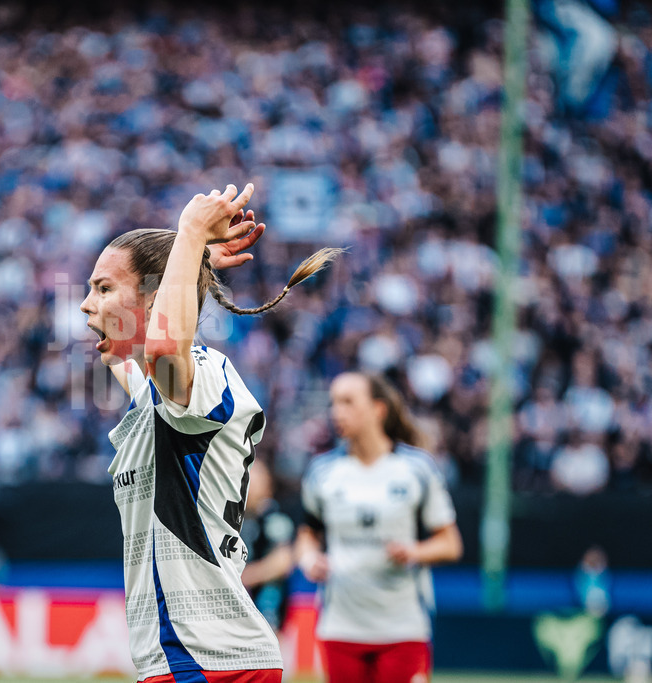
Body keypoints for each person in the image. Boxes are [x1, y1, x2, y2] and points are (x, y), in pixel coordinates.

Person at [79, 182, 341, 683]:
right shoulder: (154, 394)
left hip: (208, 662)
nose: (86, 304)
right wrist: (191, 261)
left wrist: (191, 234)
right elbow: (121, 352)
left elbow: (159, 348)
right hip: (193, 659)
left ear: (153, 295)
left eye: (104, 287)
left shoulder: (201, 376)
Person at [297, 372, 463, 683]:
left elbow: (451, 544)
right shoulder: (322, 472)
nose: (336, 411)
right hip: (340, 626)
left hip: (403, 627)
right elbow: (307, 535)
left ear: (378, 409)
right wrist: (309, 559)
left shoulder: (417, 469)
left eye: (347, 402)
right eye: (333, 402)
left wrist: (414, 551)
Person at [240, 459, 297, 634]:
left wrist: (240, 579)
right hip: (237, 619)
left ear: (268, 485)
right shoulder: (234, 520)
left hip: (268, 616)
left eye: (254, 479)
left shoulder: (274, 519)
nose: (248, 485)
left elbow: (282, 561)